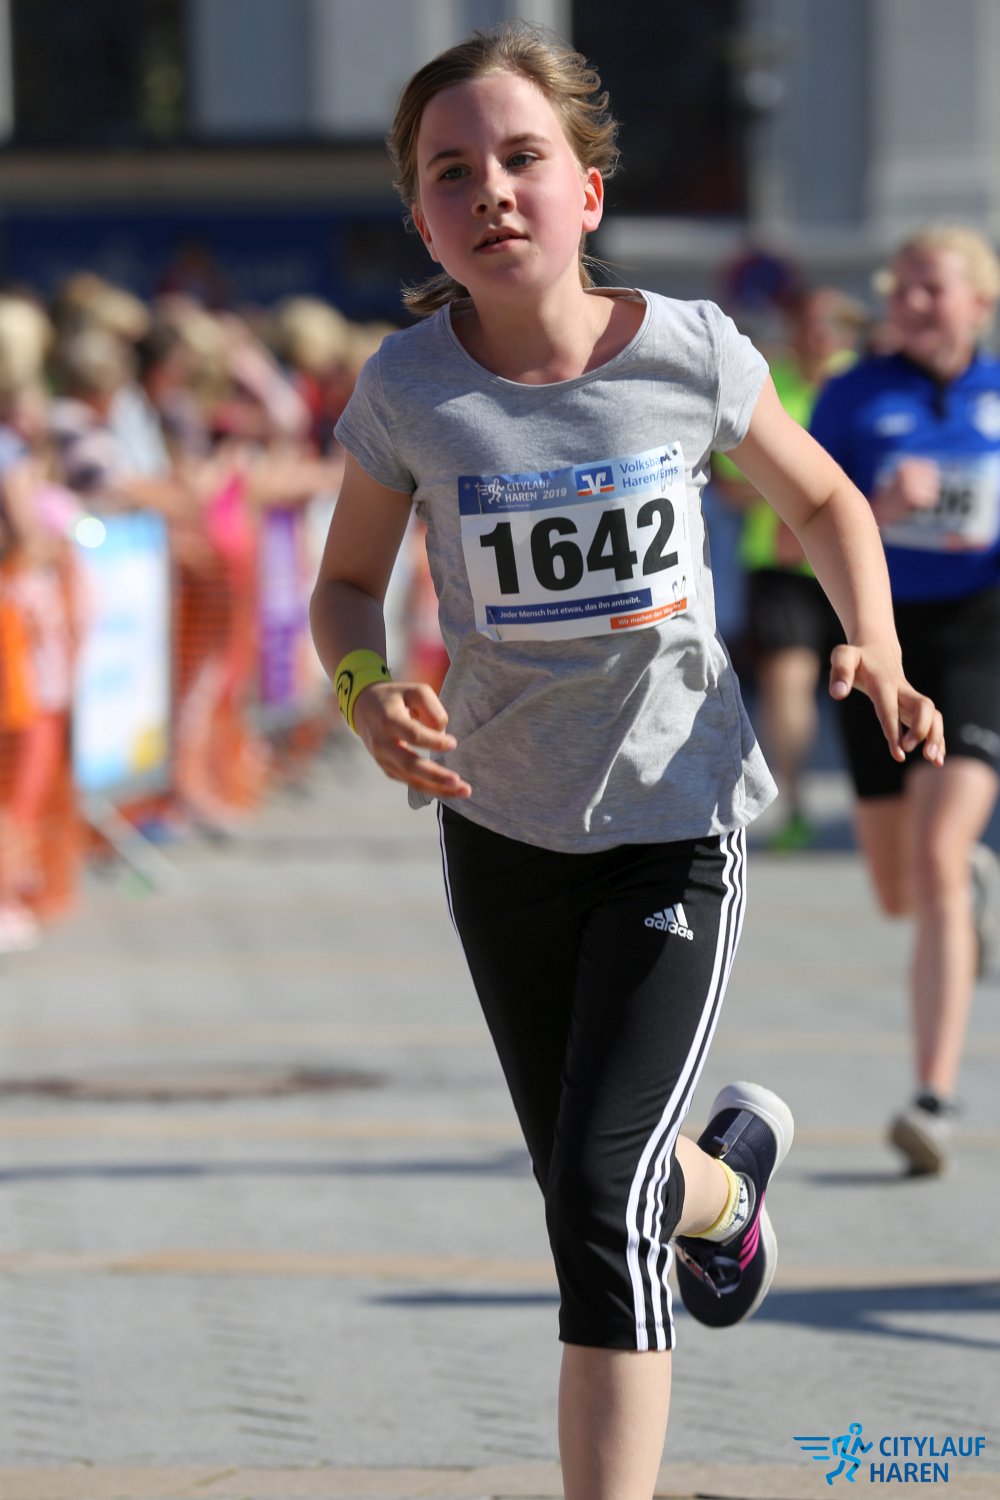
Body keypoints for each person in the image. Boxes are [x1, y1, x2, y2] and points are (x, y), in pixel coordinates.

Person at [309, 23, 943, 1498]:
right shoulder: (409, 391)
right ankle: (723, 1197)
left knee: (597, 1200)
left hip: (673, 822)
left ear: (587, 190)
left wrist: (876, 642)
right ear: (422, 221)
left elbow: (827, 500)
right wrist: (363, 691)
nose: (490, 190)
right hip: (500, 829)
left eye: (522, 158)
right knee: (595, 1177)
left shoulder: (688, 351)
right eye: (451, 172)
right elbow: (342, 586)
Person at [810, 222, 1000, 1176]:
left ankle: (933, 1097)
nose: (913, 302)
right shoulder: (854, 393)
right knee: (898, 890)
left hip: (980, 638)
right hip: (876, 642)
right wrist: (879, 509)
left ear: (980, 301)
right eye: (902, 287)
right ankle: (962, 885)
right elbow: (794, 523)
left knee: (934, 856)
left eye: (934, 287)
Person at [713, 286, 865, 849]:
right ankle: (796, 801)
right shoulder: (767, 380)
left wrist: (823, 509)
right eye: (809, 324)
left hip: (855, 562)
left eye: (832, 326)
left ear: (849, 334)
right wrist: (792, 506)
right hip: (777, 563)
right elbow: (730, 485)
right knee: (787, 682)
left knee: (864, 684)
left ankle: (881, 801)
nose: (819, 336)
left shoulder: (863, 385)